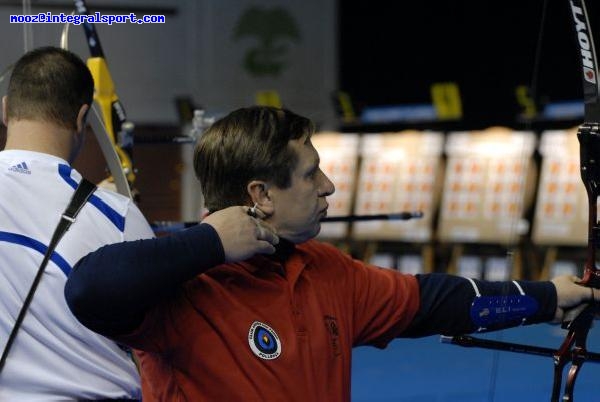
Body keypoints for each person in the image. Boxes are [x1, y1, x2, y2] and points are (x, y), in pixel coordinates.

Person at [65, 106, 595, 402]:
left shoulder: (325, 271)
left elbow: (436, 302)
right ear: (261, 196)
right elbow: (89, 289)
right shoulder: (183, 285)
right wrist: (209, 243)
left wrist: (548, 298)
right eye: (310, 173)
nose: (329, 187)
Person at [0, 47, 277, 401]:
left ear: (6, 110)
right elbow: (166, 331)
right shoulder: (115, 215)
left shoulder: (107, 209)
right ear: (83, 118)